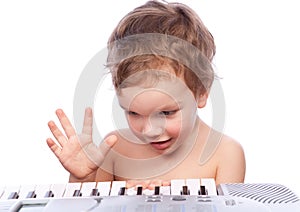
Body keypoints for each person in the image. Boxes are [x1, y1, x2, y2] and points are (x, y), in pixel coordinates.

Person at [46, 0, 245, 189]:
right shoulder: (114, 150)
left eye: (166, 113)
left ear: (201, 92)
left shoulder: (225, 155)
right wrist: (83, 179)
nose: (150, 130)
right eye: (133, 113)